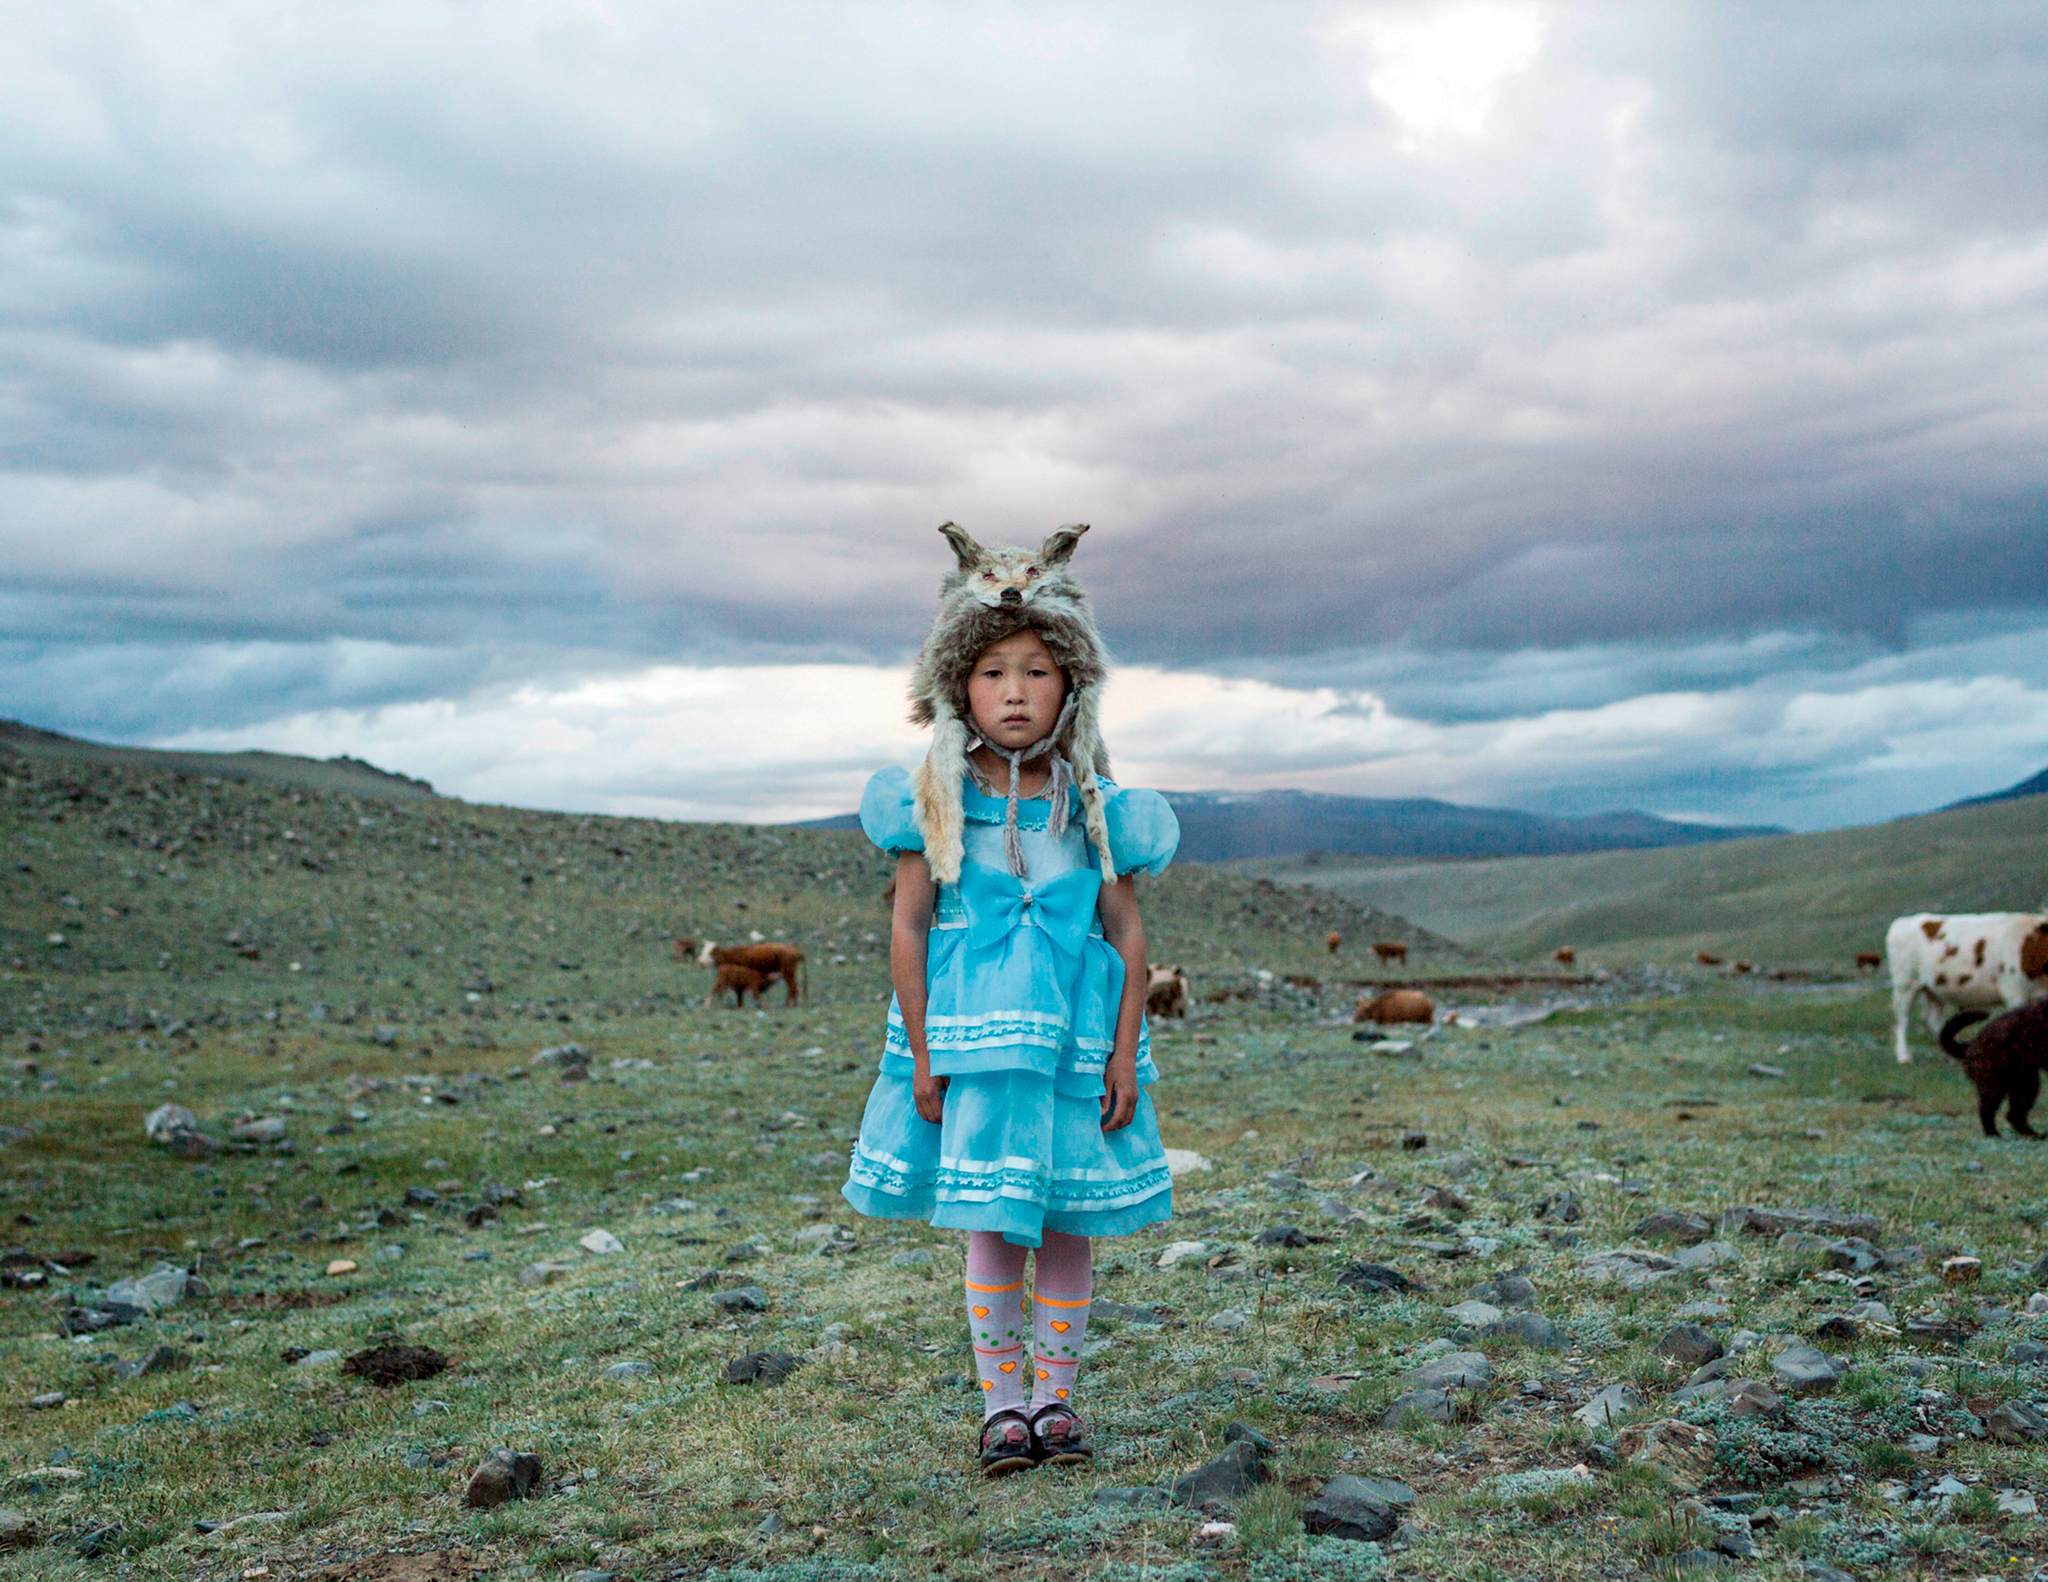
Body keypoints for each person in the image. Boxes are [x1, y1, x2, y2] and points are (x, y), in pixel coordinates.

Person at [842, 522, 1180, 1477]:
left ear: (1073, 684)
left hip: (1077, 1049)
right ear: (959, 688)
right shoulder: (932, 801)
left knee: (1068, 1218)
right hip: (972, 1046)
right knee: (993, 1219)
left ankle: (1057, 1402)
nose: (1017, 691)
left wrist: (1124, 1052)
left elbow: (1128, 934)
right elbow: (908, 929)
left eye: (1038, 671)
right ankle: (1002, 1408)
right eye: (994, 672)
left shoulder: (1098, 806)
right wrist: (920, 1051)